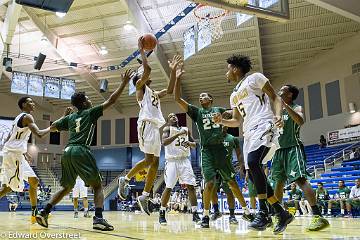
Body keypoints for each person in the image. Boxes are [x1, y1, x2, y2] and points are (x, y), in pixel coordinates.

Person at [35, 68, 134, 231]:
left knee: (66, 187)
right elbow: (111, 100)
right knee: (97, 186)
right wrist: (124, 83)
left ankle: (44, 211)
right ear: (83, 104)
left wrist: (64, 116)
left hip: (67, 152)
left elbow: (52, 127)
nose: (90, 101)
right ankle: (98, 218)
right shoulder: (89, 112)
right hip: (81, 150)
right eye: (88, 99)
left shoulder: (71, 117)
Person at [213, 55, 293, 234]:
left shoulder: (255, 78)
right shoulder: (233, 95)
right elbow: (235, 121)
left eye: (228, 68)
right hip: (248, 134)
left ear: (235, 68)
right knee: (254, 170)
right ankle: (280, 213)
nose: (226, 72)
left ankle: (263, 212)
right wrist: (221, 121)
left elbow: (275, 97)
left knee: (255, 162)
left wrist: (278, 115)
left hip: (264, 123)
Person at [173, 56, 253, 229]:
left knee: (232, 183)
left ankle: (246, 212)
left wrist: (231, 115)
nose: (201, 98)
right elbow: (178, 99)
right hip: (207, 151)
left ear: (211, 99)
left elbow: (236, 113)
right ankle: (206, 216)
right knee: (209, 184)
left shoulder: (219, 110)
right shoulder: (197, 112)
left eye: (204, 96)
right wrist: (178, 78)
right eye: (200, 97)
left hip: (221, 151)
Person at [118, 40, 177, 215]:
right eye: (143, 74)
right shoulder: (139, 88)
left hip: (155, 128)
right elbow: (148, 69)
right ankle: (126, 178)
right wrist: (141, 50)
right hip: (146, 125)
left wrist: (174, 72)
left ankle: (144, 195)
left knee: (154, 163)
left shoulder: (153, 93)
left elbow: (170, 90)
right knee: (149, 161)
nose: (147, 74)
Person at [270, 84, 329, 230]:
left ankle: (317, 216)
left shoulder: (296, 107)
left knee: (301, 180)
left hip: (292, 148)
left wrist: (285, 106)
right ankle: (279, 216)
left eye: (283, 89)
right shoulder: (277, 109)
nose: (280, 90)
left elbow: (300, 121)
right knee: (278, 183)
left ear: (289, 94)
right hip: (278, 151)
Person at [0, 97, 51, 224]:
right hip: (13, 155)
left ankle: (34, 213)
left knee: (34, 181)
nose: (33, 104)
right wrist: (53, 127)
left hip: (16, 154)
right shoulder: (27, 117)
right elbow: (39, 134)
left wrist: (24, 152)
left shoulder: (18, 118)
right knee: (8, 188)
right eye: (30, 102)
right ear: (24, 104)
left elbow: (9, 138)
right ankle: (35, 212)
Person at [158, 113, 200, 225]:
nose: (173, 117)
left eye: (174, 115)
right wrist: (177, 134)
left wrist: (189, 143)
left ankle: (195, 213)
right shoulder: (167, 129)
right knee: (169, 187)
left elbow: (195, 144)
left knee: (191, 186)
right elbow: (164, 142)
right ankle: (162, 213)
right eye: (170, 116)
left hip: (185, 160)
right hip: (172, 161)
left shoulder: (186, 129)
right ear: (168, 121)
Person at [211, 113, 248, 225]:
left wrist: (242, 166)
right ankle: (216, 211)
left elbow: (239, 154)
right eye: (223, 121)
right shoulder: (213, 137)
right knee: (212, 189)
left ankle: (232, 216)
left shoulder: (232, 138)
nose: (224, 126)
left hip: (227, 167)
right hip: (214, 167)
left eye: (227, 123)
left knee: (230, 192)